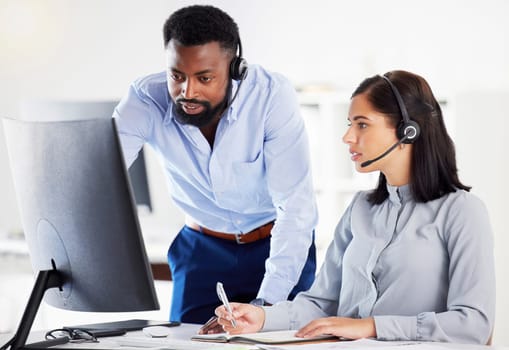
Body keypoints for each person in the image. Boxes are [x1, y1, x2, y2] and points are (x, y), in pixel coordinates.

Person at [214, 70, 496, 344]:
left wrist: (372, 327)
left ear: (407, 131)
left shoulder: (461, 211)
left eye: (361, 124)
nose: (348, 137)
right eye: (349, 124)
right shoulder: (360, 209)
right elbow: (321, 304)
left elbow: (474, 324)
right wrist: (261, 317)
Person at [113, 5, 318, 325]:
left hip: (275, 245)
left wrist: (266, 304)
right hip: (201, 250)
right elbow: (101, 177)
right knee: (184, 345)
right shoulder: (145, 99)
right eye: (176, 76)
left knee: (284, 341)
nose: (187, 92)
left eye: (204, 78)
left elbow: (296, 208)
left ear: (236, 69)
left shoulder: (271, 96)